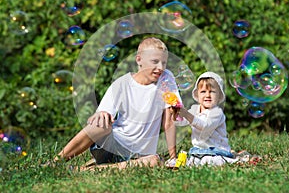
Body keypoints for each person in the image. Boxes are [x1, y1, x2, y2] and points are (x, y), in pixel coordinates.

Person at [53, 37, 177, 170]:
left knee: (155, 161)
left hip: (142, 154)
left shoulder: (166, 78)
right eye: (155, 62)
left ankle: (90, 169)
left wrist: (173, 158)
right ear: (139, 60)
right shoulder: (122, 83)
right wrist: (101, 115)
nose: (160, 67)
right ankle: (55, 163)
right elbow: (101, 116)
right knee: (101, 123)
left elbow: (169, 120)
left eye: (164, 63)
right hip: (113, 145)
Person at [169, 71, 237, 167]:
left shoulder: (217, 112)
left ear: (219, 96)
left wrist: (186, 114)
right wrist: (176, 115)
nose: (208, 95)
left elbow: (205, 126)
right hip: (199, 151)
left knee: (208, 160)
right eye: (203, 91)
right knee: (194, 161)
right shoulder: (194, 109)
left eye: (212, 91)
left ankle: (231, 160)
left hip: (216, 150)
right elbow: (182, 122)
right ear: (197, 95)